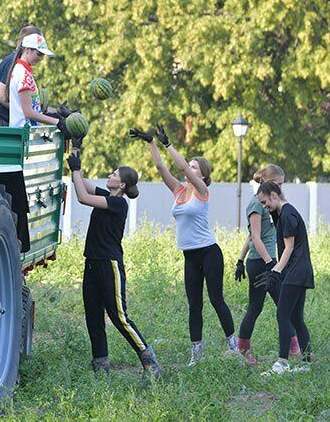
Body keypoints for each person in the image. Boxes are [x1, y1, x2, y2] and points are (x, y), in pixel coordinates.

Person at [129, 124, 239, 366]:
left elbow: (179, 167)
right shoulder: (179, 191)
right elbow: (161, 167)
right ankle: (196, 354)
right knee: (194, 305)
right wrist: (151, 143)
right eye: (189, 165)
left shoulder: (201, 190)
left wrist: (169, 144)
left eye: (193, 166)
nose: (188, 168)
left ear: (202, 174)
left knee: (216, 299)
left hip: (209, 252)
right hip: (189, 255)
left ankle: (234, 346)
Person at [67, 150, 162, 381]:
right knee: (93, 317)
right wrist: (76, 150)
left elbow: (82, 197)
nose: (109, 175)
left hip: (110, 265)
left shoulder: (118, 204)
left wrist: (77, 168)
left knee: (119, 316)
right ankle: (101, 369)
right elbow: (80, 183)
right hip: (91, 264)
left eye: (113, 174)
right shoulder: (107, 195)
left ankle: (150, 362)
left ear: (121, 184)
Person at [234, 165, 300, 364]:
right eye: (278, 184)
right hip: (263, 264)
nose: (280, 189)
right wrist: (271, 264)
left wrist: (240, 258)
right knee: (271, 305)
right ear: (267, 183)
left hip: (265, 262)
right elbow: (255, 236)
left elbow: (250, 236)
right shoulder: (257, 203)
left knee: (266, 306)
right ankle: (293, 349)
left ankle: (292, 348)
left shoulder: (269, 203)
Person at [255, 181, 314, 375]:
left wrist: (276, 271)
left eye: (265, 202)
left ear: (273, 194)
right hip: (298, 270)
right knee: (296, 317)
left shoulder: (288, 214)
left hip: (296, 271)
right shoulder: (284, 213)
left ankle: (282, 363)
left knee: (283, 314)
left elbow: (289, 248)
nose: (265, 206)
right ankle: (306, 363)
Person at [0, 25, 42, 127]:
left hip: (0, 119)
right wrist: (27, 110)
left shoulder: (20, 65)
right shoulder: (12, 63)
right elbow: (1, 97)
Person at [4, 33, 64, 129]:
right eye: (39, 54)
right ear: (28, 50)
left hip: (24, 131)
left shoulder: (21, 70)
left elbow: (33, 107)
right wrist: (57, 122)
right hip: (24, 131)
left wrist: (57, 112)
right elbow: (28, 112)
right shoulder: (23, 75)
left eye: (43, 55)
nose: (41, 59)